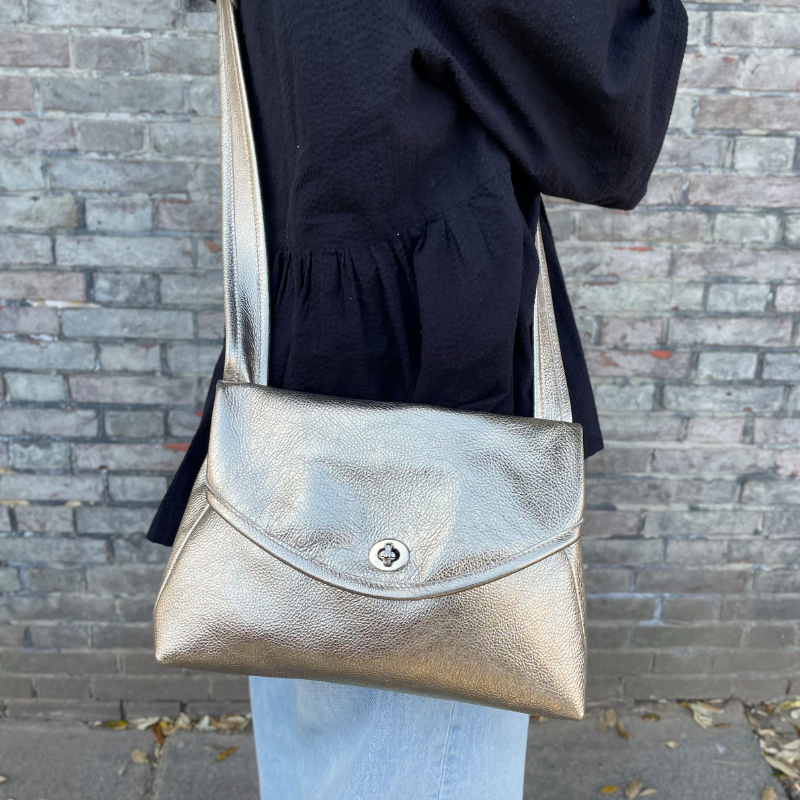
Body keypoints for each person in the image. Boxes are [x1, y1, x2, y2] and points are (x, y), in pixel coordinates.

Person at [150, 0, 688, 797]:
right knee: (419, 736)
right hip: (436, 344)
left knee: (314, 718)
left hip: (301, 337)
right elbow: (610, 116)